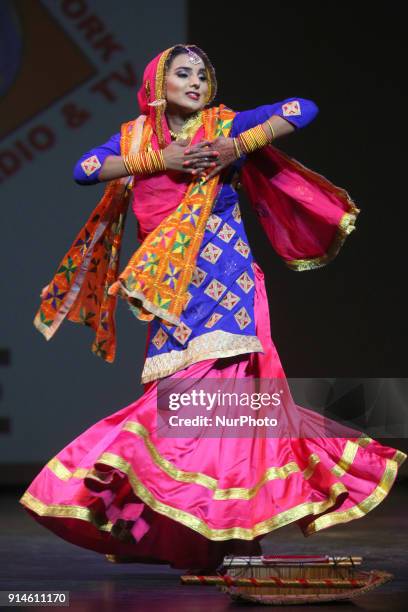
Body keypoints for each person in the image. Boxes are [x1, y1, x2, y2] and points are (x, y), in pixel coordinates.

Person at [20, 44, 406, 573]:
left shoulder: (223, 126)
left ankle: (223, 527)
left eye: (203, 74)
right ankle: (217, 539)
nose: (196, 82)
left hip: (228, 281)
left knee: (218, 398)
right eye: (183, 74)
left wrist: (238, 145)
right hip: (171, 289)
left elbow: (302, 108)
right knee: (193, 411)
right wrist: (160, 159)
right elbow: (84, 168)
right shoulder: (134, 137)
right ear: (158, 84)